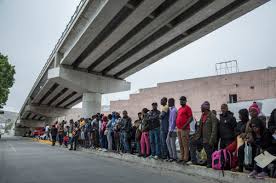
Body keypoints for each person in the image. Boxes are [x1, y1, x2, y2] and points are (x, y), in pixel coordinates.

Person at [190, 101, 218, 168]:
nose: (201, 108)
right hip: (200, 137)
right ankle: (194, 160)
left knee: (208, 150)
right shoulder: (202, 115)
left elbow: (214, 129)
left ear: (205, 108)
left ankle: (210, 163)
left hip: (208, 138)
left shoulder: (212, 116)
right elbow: (199, 128)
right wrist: (195, 136)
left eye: (201, 107)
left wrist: (211, 140)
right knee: (192, 142)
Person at [176, 96, 193, 163]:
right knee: (180, 144)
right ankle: (182, 157)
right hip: (179, 129)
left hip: (185, 129)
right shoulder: (179, 109)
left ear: (185, 101)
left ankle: (186, 158)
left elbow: (191, 118)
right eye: (180, 100)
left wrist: (185, 125)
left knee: (185, 144)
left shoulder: (188, 108)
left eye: (182, 100)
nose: (181, 101)